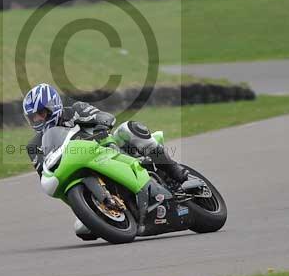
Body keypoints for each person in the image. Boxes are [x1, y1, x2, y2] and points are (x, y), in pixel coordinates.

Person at [22, 83, 189, 239]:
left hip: (109, 149)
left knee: (128, 129)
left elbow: (104, 116)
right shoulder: (34, 146)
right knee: (81, 229)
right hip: (77, 168)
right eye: (33, 117)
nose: (38, 120)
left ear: (53, 106)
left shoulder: (75, 111)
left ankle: (174, 170)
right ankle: (103, 209)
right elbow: (45, 172)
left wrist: (102, 125)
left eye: (41, 113)